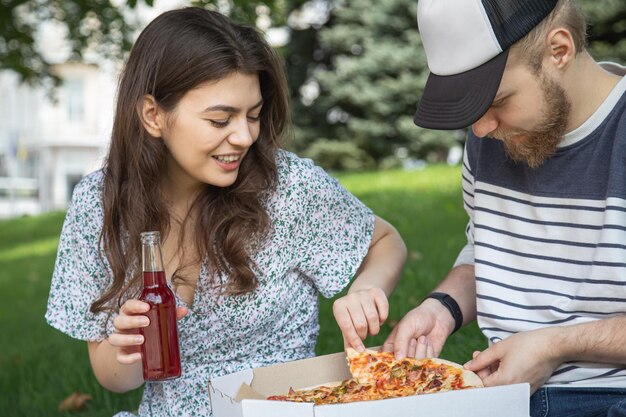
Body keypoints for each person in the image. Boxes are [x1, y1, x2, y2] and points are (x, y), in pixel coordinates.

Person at [45, 7, 407, 416]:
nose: (244, 136)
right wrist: (128, 344)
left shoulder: (286, 187)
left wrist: (365, 289)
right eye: (220, 120)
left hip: (279, 406)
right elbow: (114, 379)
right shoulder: (99, 204)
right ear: (153, 115)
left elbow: (385, 241)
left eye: (253, 115)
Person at [384, 0, 626, 416]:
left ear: (560, 50)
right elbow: (490, 252)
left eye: (497, 100)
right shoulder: (494, 132)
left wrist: (554, 346)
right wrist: (440, 308)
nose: (479, 128)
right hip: (503, 396)